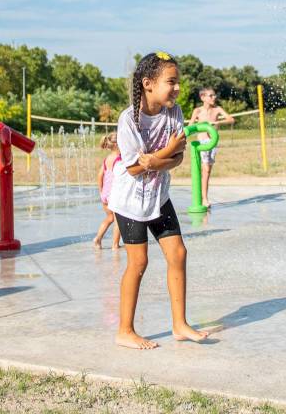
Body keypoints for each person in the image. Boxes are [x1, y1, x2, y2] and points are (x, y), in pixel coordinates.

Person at [109, 51, 209, 350]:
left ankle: (179, 324)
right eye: (171, 82)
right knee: (138, 261)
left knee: (178, 254)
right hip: (129, 202)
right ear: (148, 83)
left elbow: (178, 158)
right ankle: (124, 330)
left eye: (178, 82)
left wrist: (157, 158)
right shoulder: (129, 120)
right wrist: (162, 154)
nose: (177, 88)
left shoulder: (174, 113)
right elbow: (133, 169)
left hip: (158, 197)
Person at [187, 87, 233, 208]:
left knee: (208, 171)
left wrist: (218, 123)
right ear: (203, 98)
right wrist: (201, 125)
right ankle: (204, 199)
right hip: (202, 142)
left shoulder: (217, 109)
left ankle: (204, 196)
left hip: (213, 142)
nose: (214, 97)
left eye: (214, 95)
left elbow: (230, 119)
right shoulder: (197, 111)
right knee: (205, 169)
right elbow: (190, 126)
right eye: (211, 96)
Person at [91, 132, 122, 250]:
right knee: (118, 220)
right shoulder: (119, 159)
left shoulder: (106, 159)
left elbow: (100, 176)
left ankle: (98, 239)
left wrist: (101, 192)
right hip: (114, 194)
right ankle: (115, 245)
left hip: (105, 193)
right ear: (117, 145)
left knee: (110, 218)